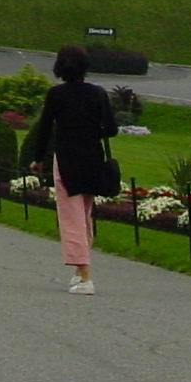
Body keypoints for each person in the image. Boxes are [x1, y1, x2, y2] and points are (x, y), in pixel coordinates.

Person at [24, 44, 119, 296]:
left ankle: (85, 274)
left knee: (71, 217)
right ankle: (79, 271)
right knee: (84, 214)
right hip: (93, 158)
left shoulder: (56, 95)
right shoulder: (98, 93)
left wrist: (38, 158)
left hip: (67, 159)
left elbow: (44, 129)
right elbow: (111, 129)